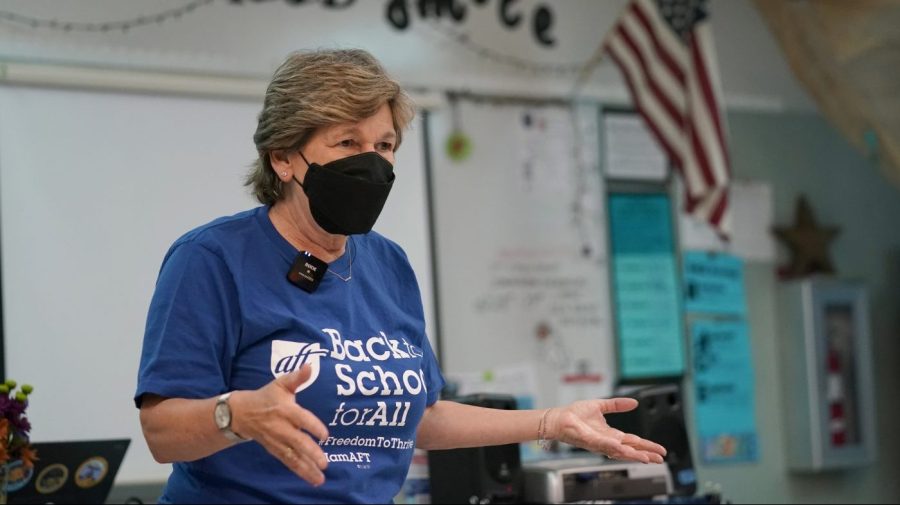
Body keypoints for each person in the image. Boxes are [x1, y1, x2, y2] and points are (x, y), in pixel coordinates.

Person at [135, 48, 666, 504]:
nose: (372, 165)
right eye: (347, 144)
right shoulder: (211, 259)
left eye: (384, 146)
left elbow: (421, 418)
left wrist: (551, 422)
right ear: (283, 158)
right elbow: (162, 432)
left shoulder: (386, 263)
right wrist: (237, 414)